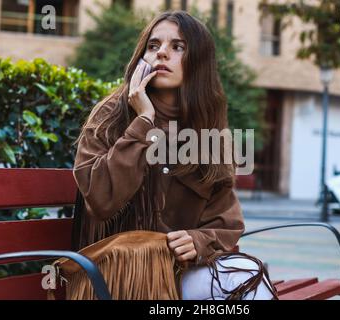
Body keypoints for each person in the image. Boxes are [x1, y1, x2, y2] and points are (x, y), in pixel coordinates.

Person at [71, 10, 276, 300]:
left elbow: (225, 222)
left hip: (175, 273)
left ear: (199, 63)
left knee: (248, 277)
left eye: (178, 47)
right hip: (112, 275)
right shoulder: (110, 117)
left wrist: (197, 240)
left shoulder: (206, 131)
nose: (162, 53)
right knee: (248, 280)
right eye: (153, 46)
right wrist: (143, 121)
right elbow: (101, 200)